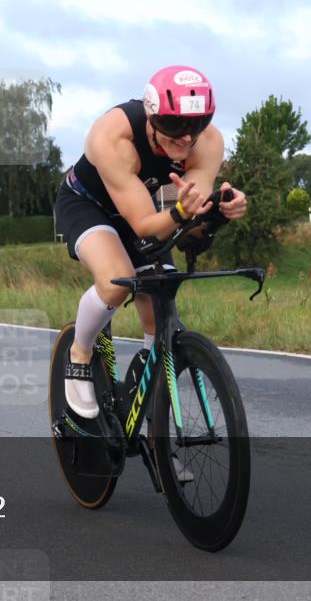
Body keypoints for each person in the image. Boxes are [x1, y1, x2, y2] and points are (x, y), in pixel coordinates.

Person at [53, 65, 248, 418]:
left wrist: (218, 209)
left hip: (144, 208)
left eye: (196, 126)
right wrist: (180, 214)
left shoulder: (208, 143)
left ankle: (150, 418)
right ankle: (79, 352)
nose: (186, 139)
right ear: (151, 115)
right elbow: (145, 226)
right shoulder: (112, 136)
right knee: (116, 281)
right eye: (174, 127)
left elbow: (189, 215)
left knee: (161, 303)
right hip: (89, 206)